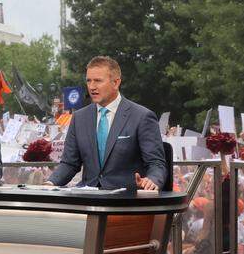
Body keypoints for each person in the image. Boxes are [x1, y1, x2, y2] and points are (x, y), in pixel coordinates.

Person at [48, 56, 165, 190]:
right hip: (88, 200)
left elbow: (156, 163)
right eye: (88, 81)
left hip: (126, 201)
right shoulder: (79, 118)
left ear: (116, 83)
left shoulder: (142, 117)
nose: (92, 87)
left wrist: (152, 180)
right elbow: (69, 164)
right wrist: (50, 183)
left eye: (98, 81)